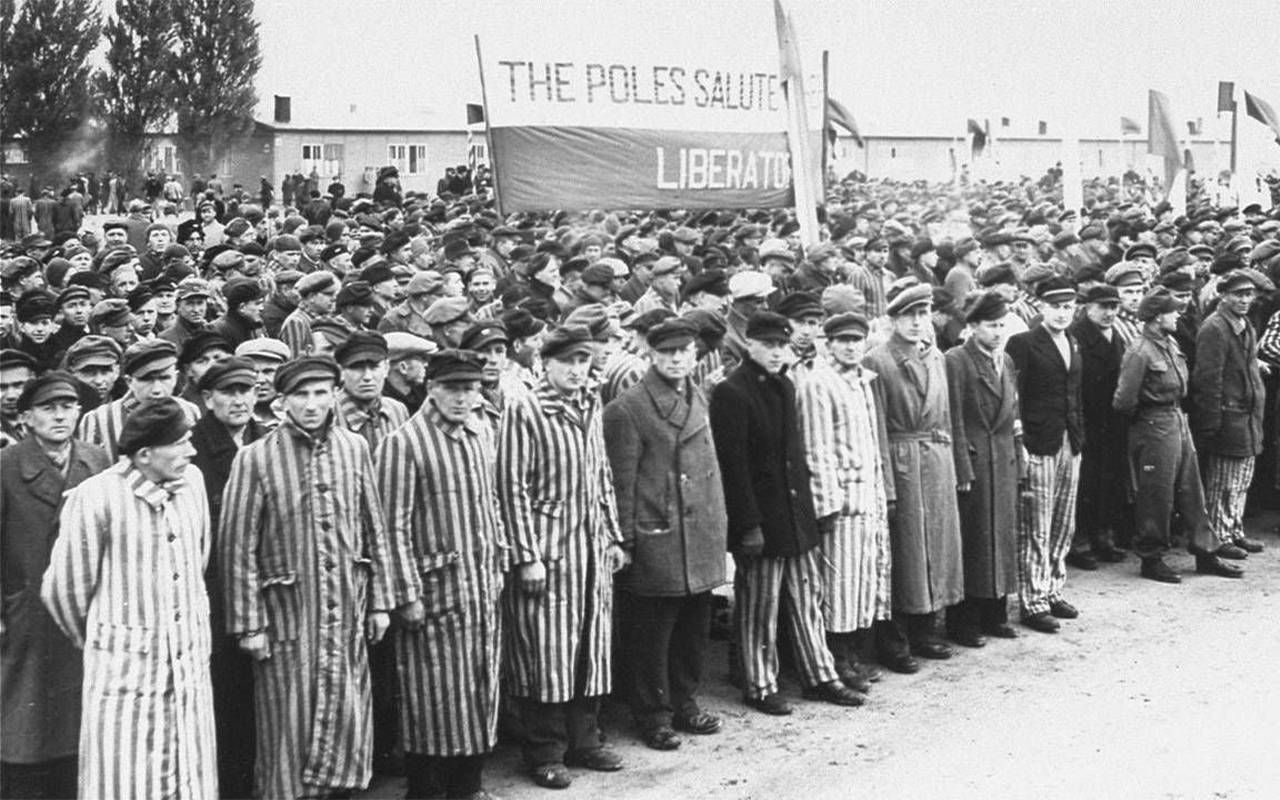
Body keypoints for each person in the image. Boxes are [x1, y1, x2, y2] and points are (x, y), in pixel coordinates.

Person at [219, 356, 422, 800]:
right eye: (301, 395)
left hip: (347, 606)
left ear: (334, 395)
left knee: (347, 710)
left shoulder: (354, 448)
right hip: (289, 612)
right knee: (288, 720)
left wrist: (382, 602)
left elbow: (374, 527)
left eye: (320, 394)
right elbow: (237, 548)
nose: (311, 405)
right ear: (282, 401)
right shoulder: (255, 458)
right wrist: (249, 624)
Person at [41, 398, 218, 799]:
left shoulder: (194, 485)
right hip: (125, 676)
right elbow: (64, 590)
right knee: (126, 780)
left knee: (190, 774)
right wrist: (107, 644)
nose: (191, 451)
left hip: (188, 665)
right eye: (180, 443)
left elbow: (198, 560)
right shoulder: (96, 497)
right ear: (144, 455)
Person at [710, 311, 865, 715]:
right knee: (759, 606)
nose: (777, 352)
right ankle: (759, 684)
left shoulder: (785, 386)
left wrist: (810, 508)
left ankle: (820, 675)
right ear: (750, 344)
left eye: (782, 345)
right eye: (769, 345)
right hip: (761, 521)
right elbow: (735, 468)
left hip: (793, 515)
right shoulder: (732, 392)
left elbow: (795, 456)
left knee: (806, 599)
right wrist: (747, 525)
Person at [496, 326, 628, 790]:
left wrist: (612, 534)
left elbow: (601, 473)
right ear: (545, 363)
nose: (576, 371)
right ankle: (546, 750)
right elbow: (511, 488)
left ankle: (586, 740)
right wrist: (526, 555)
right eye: (566, 362)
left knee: (590, 645)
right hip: (549, 552)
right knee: (547, 652)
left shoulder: (590, 402)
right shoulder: (526, 409)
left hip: (591, 547)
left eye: (582, 361)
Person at [376, 350, 507, 800]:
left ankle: (467, 787)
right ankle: (427, 790)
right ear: (430, 386)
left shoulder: (481, 431)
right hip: (433, 592)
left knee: (476, 690)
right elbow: (390, 525)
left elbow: (491, 503)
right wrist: (405, 593)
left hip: (480, 585)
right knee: (432, 698)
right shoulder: (405, 442)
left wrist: (499, 558)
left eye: (470, 388)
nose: (462, 397)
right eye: (452, 388)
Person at [603, 318, 727, 752]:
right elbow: (621, 482)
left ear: (696, 355)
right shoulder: (628, 408)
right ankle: (653, 714)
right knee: (652, 633)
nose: (676, 360)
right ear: (651, 356)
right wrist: (625, 540)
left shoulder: (700, 397)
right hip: (658, 532)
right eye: (667, 353)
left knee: (694, 626)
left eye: (684, 352)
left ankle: (685, 702)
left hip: (699, 532)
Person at [1, 374, 110, 800]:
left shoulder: (96, 460)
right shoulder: (8, 467)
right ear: (26, 417)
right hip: (25, 612)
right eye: (48, 408)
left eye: (68, 406)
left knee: (75, 720)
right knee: (23, 722)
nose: (60, 415)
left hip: (81, 611)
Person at [861, 284, 964, 670]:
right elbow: (877, 429)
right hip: (901, 460)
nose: (917, 322)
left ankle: (925, 629)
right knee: (905, 553)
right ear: (892, 320)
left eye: (923, 314)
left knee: (934, 546)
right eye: (909, 316)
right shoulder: (877, 360)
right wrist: (886, 483)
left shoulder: (936, 356)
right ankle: (894, 640)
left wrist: (955, 467)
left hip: (935, 460)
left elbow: (948, 416)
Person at [1113, 288, 1243, 583]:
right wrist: (1148, 421)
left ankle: (1206, 551)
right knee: (1156, 494)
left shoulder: (1168, 342)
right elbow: (1123, 401)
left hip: (1176, 419)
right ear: (1158, 317)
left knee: (1191, 487)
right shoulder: (1140, 351)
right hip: (1153, 423)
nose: (1177, 315)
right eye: (1172, 311)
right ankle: (1151, 557)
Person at [795, 311, 893, 688]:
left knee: (864, 578)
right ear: (829, 342)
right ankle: (835, 659)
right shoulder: (819, 383)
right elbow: (816, 449)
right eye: (843, 340)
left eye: (857, 340)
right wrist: (827, 503)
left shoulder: (863, 380)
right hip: (841, 502)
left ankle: (853, 654)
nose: (851, 346)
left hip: (868, 494)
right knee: (839, 582)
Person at [189, 358, 268, 799]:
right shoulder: (194, 450)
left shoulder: (266, 440)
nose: (240, 401)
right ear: (207, 398)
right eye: (229, 392)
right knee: (228, 700)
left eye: (247, 391)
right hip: (216, 593)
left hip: (265, 589)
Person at [1005, 277, 1084, 634]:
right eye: (1055, 306)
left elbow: (1075, 393)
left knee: (1063, 521)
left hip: (1069, 440)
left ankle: (1053, 589)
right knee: (1036, 523)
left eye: (1068, 307)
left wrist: (1078, 435)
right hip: (1038, 441)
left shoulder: (1073, 341)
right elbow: (1013, 394)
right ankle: (1033, 600)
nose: (1063, 313)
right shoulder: (1022, 343)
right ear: (1040, 307)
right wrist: (1020, 439)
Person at [944, 292, 1023, 644]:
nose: (998, 331)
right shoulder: (957, 360)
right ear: (972, 326)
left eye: (1002, 325)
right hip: (976, 460)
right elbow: (954, 418)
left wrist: (1018, 461)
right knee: (974, 541)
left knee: (1001, 538)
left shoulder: (1004, 360)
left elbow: (1013, 416)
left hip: (1002, 459)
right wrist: (962, 466)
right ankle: (964, 621)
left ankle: (996, 612)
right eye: (991, 325)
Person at [1191, 270, 1268, 558]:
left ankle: (1234, 529)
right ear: (1223, 295)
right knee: (1222, 481)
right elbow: (1207, 379)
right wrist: (1211, 421)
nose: (1245, 300)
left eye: (1249, 294)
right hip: (1228, 415)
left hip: (1247, 416)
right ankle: (1218, 535)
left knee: (1241, 479)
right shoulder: (1215, 328)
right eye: (1238, 294)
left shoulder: (1243, 324)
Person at [1069, 284, 1131, 565]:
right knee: (1086, 485)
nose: (1109, 313)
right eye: (1103, 307)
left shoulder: (1116, 335)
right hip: (1089, 421)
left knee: (1110, 482)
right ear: (1087, 307)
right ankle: (1080, 542)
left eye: (1114, 307)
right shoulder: (1076, 336)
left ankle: (1103, 537)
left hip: (1113, 421)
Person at [76, 339, 201, 459]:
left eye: (165, 378)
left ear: (176, 377)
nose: (157, 389)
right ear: (129, 381)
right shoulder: (98, 419)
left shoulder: (190, 411)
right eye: (146, 379)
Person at [279, 272, 339, 357]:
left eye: (335, 294)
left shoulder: (327, 318)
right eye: (328, 294)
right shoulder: (296, 322)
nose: (334, 299)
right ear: (311, 296)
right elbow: (295, 361)